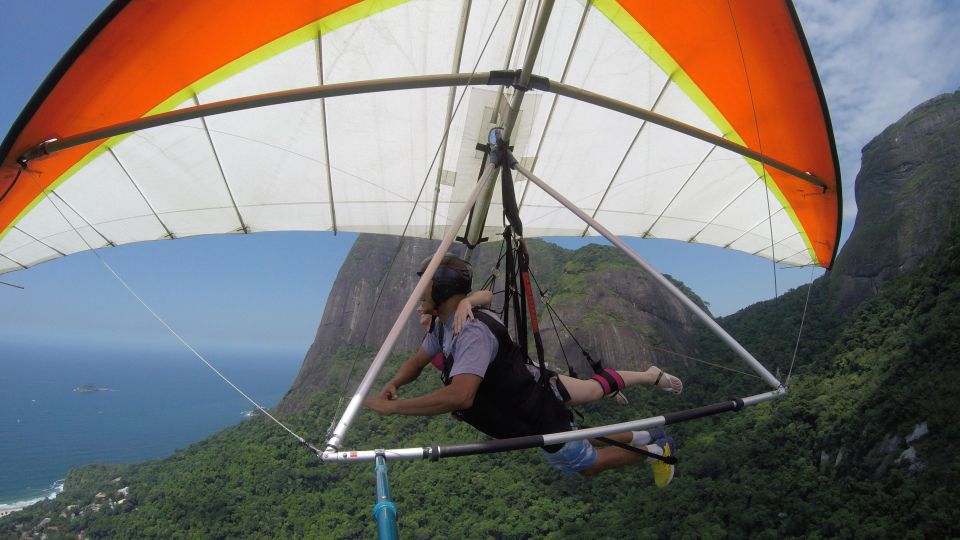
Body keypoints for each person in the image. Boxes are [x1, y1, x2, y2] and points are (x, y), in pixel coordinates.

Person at [365, 254, 683, 486]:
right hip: (531, 393)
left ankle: (656, 449)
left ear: (443, 289)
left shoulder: (471, 332)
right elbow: (418, 361)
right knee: (585, 424)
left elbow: (460, 396)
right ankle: (648, 433)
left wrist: (394, 409)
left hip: (535, 411)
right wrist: (395, 382)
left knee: (585, 463)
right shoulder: (442, 326)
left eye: (425, 285)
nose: (418, 293)